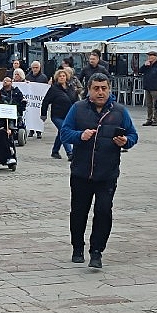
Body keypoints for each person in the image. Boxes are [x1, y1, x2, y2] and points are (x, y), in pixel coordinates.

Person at [60, 73, 138, 268]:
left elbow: (133, 134)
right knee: (79, 212)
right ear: (89, 90)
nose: (100, 92)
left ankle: (97, 251)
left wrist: (126, 141)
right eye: (96, 88)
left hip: (107, 172)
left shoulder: (119, 111)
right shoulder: (78, 109)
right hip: (81, 171)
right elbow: (64, 133)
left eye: (104, 88)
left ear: (109, 89)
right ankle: (77, 247)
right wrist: (80, 135)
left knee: (104, 211)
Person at [40, 69, 79, 160]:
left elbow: (76, 100)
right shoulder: (53, 89)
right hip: (57, 116)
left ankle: (55, 151)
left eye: (63, 76)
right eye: (60, 76)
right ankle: (70, 153)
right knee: (64, 131)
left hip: (68, 115)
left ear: (66, 77)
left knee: (61, 133)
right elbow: (45, 101)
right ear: (57, 78)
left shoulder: (71, 88)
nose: (62, 77)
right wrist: (43, 114)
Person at [137, 50, 157, 126]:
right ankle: (149, 119)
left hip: (156, 88)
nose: (150, 57)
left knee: (156, 104)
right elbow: (140, 71)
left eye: (152, 56)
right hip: (147, 87)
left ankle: (156, 120)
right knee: (149, 105)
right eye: (149, 56)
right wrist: (144, 65)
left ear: (156, 57)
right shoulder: (147, 65)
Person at [25, 61, 48, 139]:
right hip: (31, 99)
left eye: (36, 67)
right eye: (33, 67)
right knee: (30, 114)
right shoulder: (28, 77)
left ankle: (39, 131)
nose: (35, 69)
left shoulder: (43, 77)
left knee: (39, 115)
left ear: (39, 68)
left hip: (39, 100)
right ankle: (31, 130)